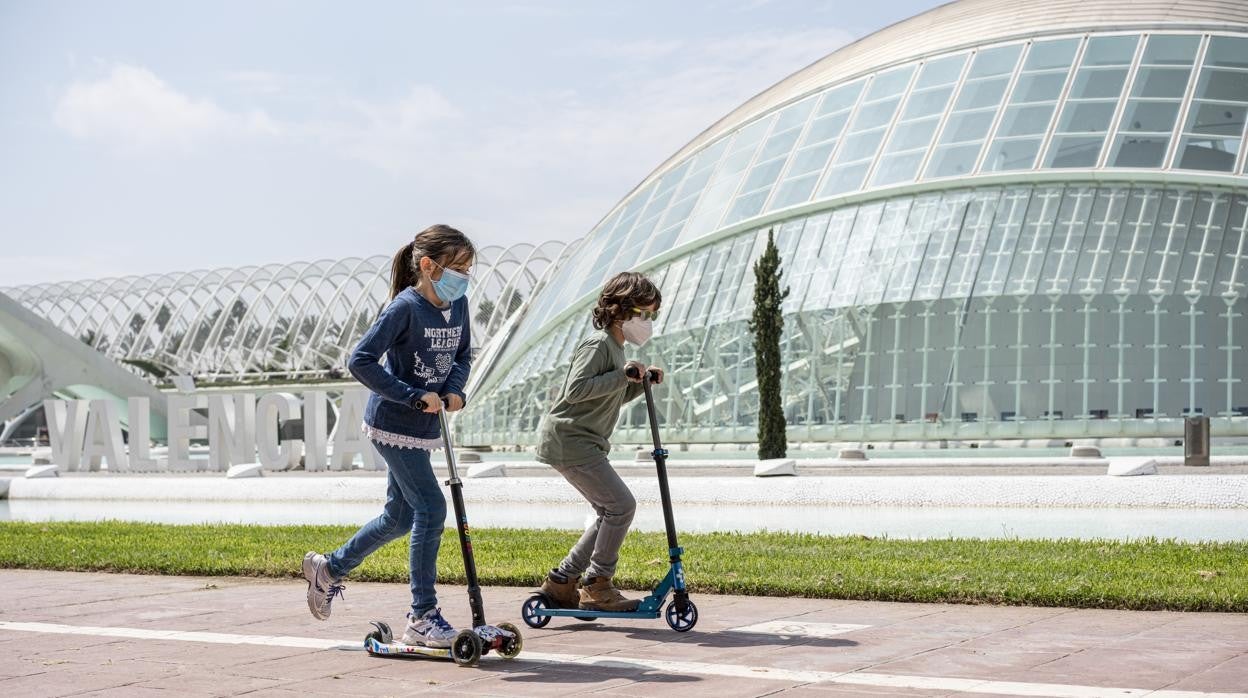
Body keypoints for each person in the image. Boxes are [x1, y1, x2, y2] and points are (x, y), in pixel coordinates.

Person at [301, 224, 474, 648]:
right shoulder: (405, 307)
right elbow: (360, 360)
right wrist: (413, 395)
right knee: (431, 507)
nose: (465, 277)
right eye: (458, 268)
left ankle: (329, 568)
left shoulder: (460, 304)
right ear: (428, 266)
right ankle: (422, 615)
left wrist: (454, 389)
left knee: (400, 517)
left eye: (470, 269)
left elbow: (464, 354)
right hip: (393, 425)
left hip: (425, 428)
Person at [535, 271, 663, 611]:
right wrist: (621, 375)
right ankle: (597, 584)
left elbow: (606, 397)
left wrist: (639, 383)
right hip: (570, 440)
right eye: (645, 314)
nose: (649, 322)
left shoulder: (616, 349)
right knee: (621, 506)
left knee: (610, 511)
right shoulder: (598, 344)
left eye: (653, 316)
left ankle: (562, 581)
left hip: (581, 442)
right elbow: (576, 391)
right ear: (621, 310)